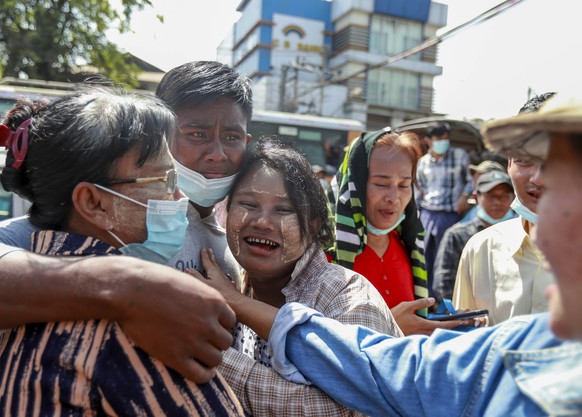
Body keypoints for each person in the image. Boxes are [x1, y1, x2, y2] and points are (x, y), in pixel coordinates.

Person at [229, 92, 582, 417]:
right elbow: (434, 369)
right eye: (381, 182)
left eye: (404, 184)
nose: (539, 180)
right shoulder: (482, 251)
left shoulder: (366, 277)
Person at [0, 61, 253, 382]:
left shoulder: (229, 244)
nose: (217, 153)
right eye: (197, 134)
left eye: (231, 137)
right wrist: (127, 290)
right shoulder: (93, 227)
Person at [195, 139, 402, 416]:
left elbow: (342, 412)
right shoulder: (231, 281)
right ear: (227, 210)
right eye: (248, 204)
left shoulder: (347, 297)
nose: (261, 222)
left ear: (313, 225)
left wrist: (211, 357)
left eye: (283, 210)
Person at [327, 128, 471, 335]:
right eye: (381, 184)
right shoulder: (325, 253)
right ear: (354, 184)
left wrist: (444, 323)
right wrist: (389, 326)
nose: (393, 197)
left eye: (404, 185)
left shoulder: (410, 248)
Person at [452, 93, 556, 325]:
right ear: (509, 162)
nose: (538, 178)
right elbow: (465, 348)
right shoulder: (481, 250)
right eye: (525, 160)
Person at [433, 170, 515, 301]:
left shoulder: (521, 233)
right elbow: (444, 284)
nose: (497, 202)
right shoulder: (457, 235)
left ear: (513, 198)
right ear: (476, 198)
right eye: (491, 196)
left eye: (504, 196)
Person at [416, 122, 473, 295]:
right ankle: (427, 296)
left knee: (446, 257)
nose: (443, 141)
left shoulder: (460, 155)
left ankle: (446, 296)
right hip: (427, 213)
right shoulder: (422, 162)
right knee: (424, 256)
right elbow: (419, 188)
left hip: (450, 214)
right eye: (438, 138)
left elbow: (471, 180)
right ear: (428, 141)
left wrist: (464, 196)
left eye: (445, 138)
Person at [457, 159, 506, 224]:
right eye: (474, 176)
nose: (475, 181)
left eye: (480, 177)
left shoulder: (502, 212)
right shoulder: (477, 209)